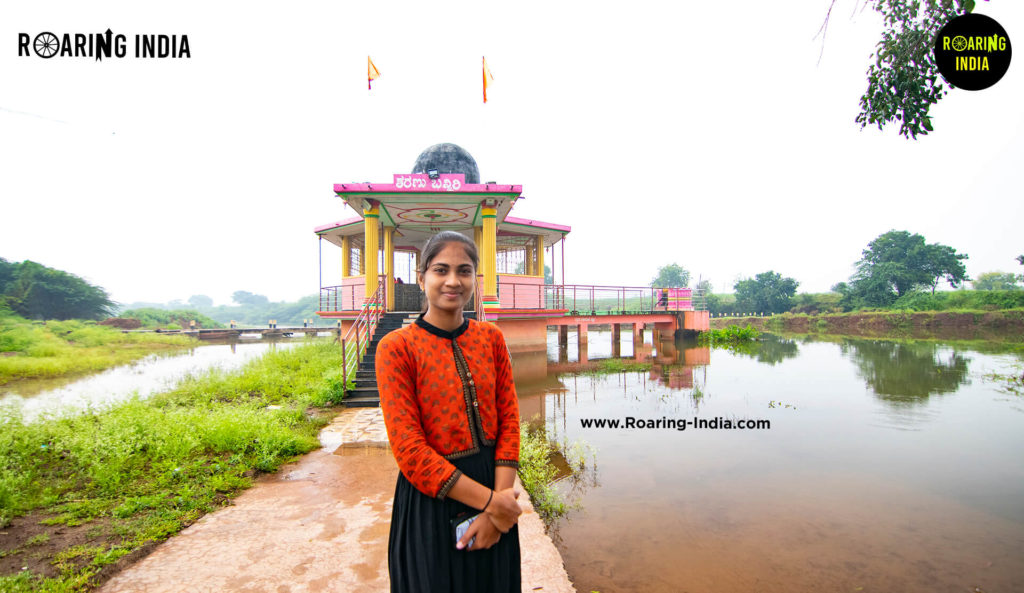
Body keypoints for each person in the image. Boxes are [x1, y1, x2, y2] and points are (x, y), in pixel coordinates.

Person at [375, 230, 523, 592]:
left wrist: (498, 511)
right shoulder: (397, 347)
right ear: (422, 276)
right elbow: (410, 451)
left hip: (494, 480)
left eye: (464, 270)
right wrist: (494, 505)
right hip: (432, 502)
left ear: (475, 278)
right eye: (441, 270)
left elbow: (509, 421)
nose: (453, 281)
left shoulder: (491, 339)